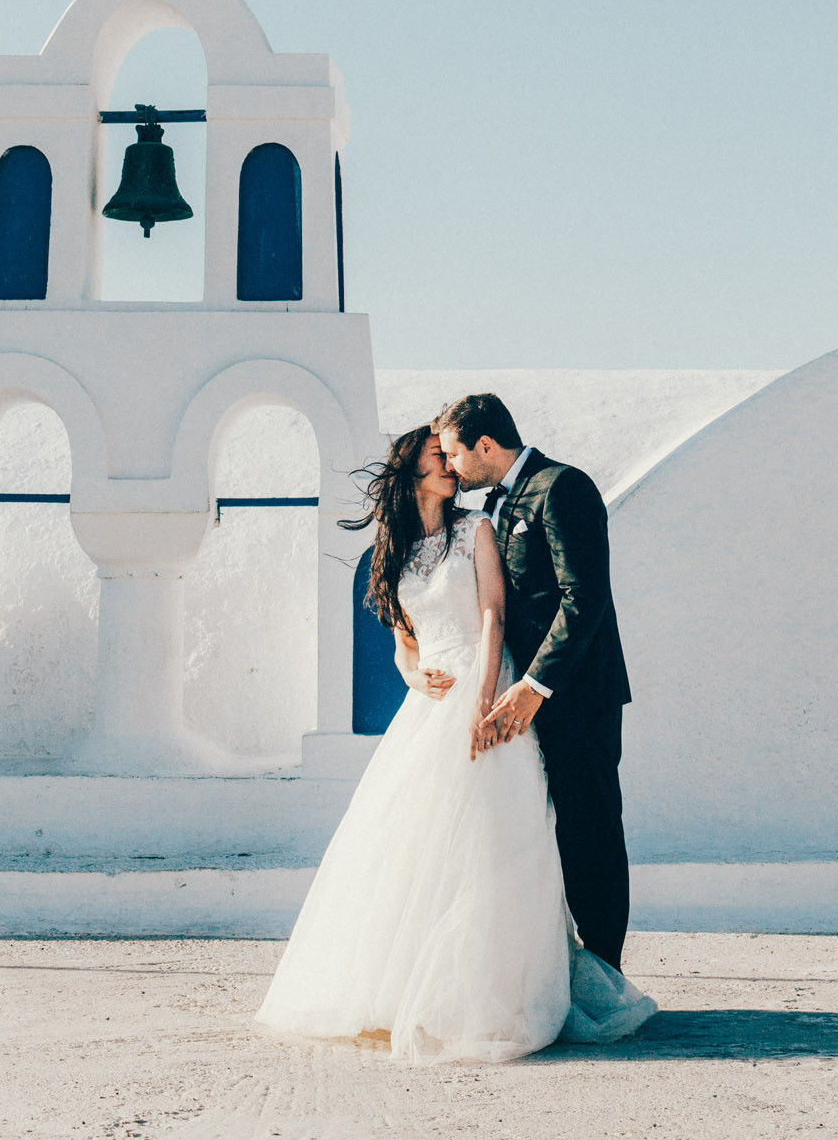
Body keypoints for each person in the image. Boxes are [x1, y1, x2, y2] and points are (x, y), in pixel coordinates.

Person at [255, 424, 654, 1062]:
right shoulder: (395, 551)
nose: (449, 466)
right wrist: (413, 674)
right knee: (413, 845)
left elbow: (494, 613)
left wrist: (486, 694)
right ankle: (405, 991)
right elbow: (402, 641)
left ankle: (505, 994)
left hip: (485, 691)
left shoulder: (478, 528)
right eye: (436, 460)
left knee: (497, 841)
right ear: (411, 476)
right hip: (427, 708)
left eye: (450, 454)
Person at [434, 392, 632, 970]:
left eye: (455, 455)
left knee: (587, 831)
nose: (451, 467)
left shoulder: (562, 487)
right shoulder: (488, 508)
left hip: (576, 698)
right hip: (517, 698)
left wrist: (533, 687)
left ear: (486, 445)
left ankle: (604, 972)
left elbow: (584, 597)